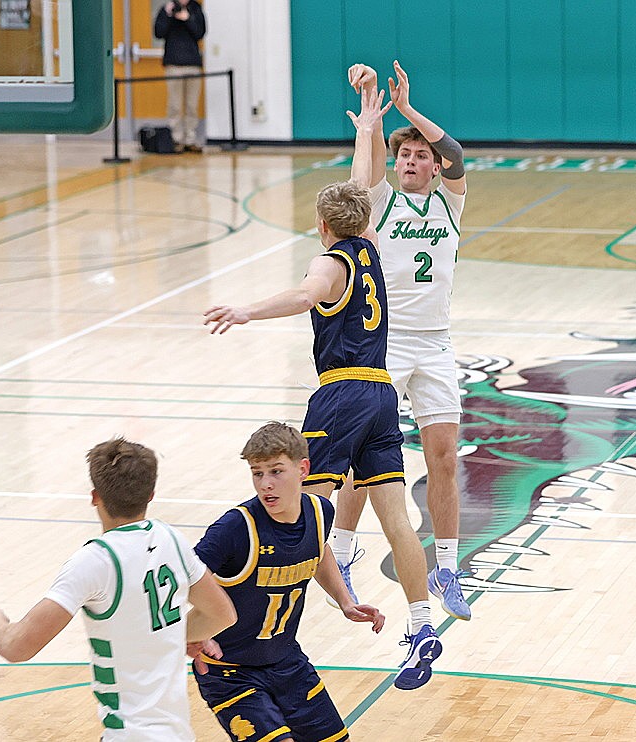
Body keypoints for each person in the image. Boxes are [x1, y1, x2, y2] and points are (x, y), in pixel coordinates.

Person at [203, 85, 443, 691]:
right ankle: (420, 623)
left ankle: (257, 629)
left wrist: (245, 311)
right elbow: (359, 193)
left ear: (320, 224)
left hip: (340, 394)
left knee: (294, 506)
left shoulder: (332, 260)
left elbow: (305, 295)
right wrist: (365, 128)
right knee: (395, 518)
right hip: (382, 396)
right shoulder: (372, 251)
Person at [0, 437, 237, 741]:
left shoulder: (94, 561)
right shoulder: (170, 539)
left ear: (95, 496)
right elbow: (222, 614)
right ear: (150, 495)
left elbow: (18, 646)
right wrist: (170, 638)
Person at [335, 60, 471, 622]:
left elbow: (458, 155)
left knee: (443, 457)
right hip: (386, 345)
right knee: (365, 458)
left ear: (435, 169)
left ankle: (449, 569)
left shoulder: (450, 202)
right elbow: (359, 179)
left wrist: (410, 110)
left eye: (420, 156)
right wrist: (370, 113)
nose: (411, 162)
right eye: (404, 155)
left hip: (436, 345)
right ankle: (341, 551)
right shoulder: (384, 202)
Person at [190, 422, 385, 741]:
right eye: (257, 473)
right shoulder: (236, 528)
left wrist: (345, 600)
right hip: (230, 672)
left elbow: (318, 549)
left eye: (276, 471)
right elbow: (185, 576)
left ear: (303, 469)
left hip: (286, 661)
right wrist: (192, 633)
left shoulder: (321, 511)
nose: (266, 484)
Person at [153, 1, 206, 153]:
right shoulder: (166, 9)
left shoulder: (195, 9)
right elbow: (158, 33)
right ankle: (176, 138)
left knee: (192, 105)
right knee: (174, 105)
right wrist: (168, 15)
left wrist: (188, 18)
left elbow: (200, 33)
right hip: (174, 64)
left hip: (192, 63)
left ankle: (190, 138)